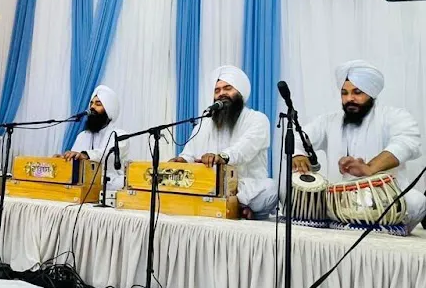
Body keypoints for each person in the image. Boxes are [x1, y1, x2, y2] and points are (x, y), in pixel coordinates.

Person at [293, 60, 426, 232]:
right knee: (286, 190)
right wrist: (298, 154)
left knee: (416, 202)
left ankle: (391, 233)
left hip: (383, 199)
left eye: (357, 92)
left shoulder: (394, 116)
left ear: (371, 93)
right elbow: (299, 137)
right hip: (338, 200)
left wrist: (370, 168)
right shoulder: (328, 121)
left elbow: (407, 142)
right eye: (344, 93)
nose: (349, 98)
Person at [171, 66, 277, 219]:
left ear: (240, 92)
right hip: (209, 185)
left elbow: (244, 148)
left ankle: (235, 204)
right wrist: (181, 160)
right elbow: (189, 153)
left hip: (243, 188)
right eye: (217, 91)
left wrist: (221, 157)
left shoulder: (257, 119)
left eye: (228, 88)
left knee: (270, 189)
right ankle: (234, 207)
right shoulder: (204, 124)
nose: (221, 94)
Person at [62, 85, 129, 189]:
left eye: (98, 104)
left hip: (110, 187)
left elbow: (108, 155)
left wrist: (86, 155)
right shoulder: (83, 136)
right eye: (91, 103)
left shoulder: (120, 135)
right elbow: (74, 162)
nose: (92, 107)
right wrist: (64, 159)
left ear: (109, 109)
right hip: (83, 188)